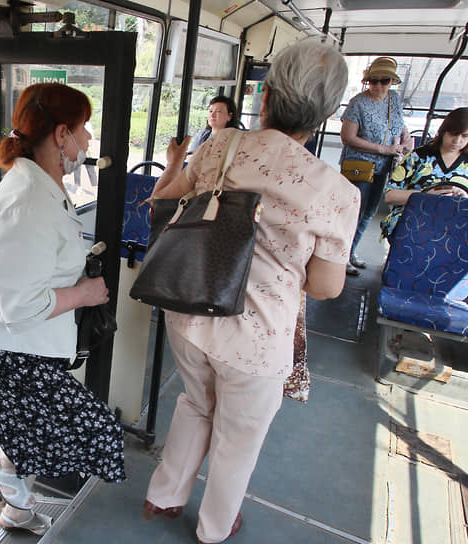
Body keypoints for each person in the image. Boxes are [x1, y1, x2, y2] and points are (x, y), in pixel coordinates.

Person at [143, 39, 360, 544]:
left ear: (266, 99)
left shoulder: (220, 145)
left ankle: (165, 495)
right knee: (238, 437)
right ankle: (215, 527)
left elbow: (164, 201)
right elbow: (326, 288)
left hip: (191, 308)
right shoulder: (336, 192)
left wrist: (179, 161)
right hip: (257, 336)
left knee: (196, 402)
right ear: (327, 113)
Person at [0, 83, 125, 537]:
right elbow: (22, 307)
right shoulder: (28, 201)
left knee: (36, 433)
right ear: (60, 135)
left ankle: (15, 508)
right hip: (3, 349)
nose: (88, 141)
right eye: (84, 129)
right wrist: (85, 294)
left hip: (22, 346)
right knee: (97, 436)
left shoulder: (42, 185)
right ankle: (2, 460)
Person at [339, 56, 413, 275]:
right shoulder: (358, 103)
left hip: (384, 167)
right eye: (374, 81)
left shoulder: (394, 101)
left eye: (385, 81)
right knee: (354, 211)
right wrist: (384, 149)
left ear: (392, 82)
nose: (379, 85)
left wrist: (406, 142)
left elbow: (401, 128)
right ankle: (340, 256)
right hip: (360, 165)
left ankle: (350, 251)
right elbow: (348, 137)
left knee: (369, 211)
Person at [380, 107, 468, 240]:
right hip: (414, 221)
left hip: (454, 225)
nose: (457, 141)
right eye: (453, 134)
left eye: (464, 136)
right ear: (443, 132)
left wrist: (463, 198)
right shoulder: (419, 156)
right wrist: (424, 196)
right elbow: (390, 195)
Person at [72, 120, 98, 191]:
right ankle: (78, 186)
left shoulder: (87, 124)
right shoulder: (77, 123)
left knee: (90, 167)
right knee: (77, 168)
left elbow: (91, 137)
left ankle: (95, 186)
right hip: (78, 148)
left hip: (86, 148)